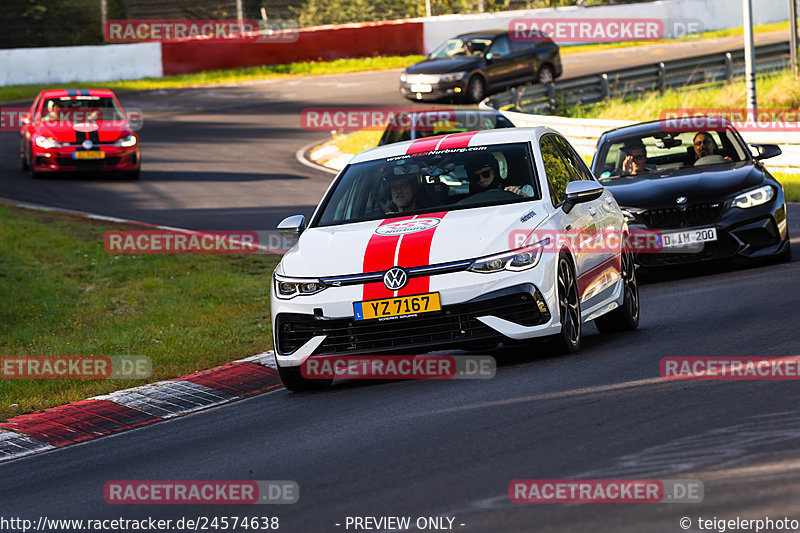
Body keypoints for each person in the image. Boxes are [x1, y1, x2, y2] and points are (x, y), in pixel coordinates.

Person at [468, 155, 532, 197]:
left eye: (486, 174)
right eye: (476, 177)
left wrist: (522, 196)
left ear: (496, 172)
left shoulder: (524, 189)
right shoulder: (470, 199)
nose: (481, 180)